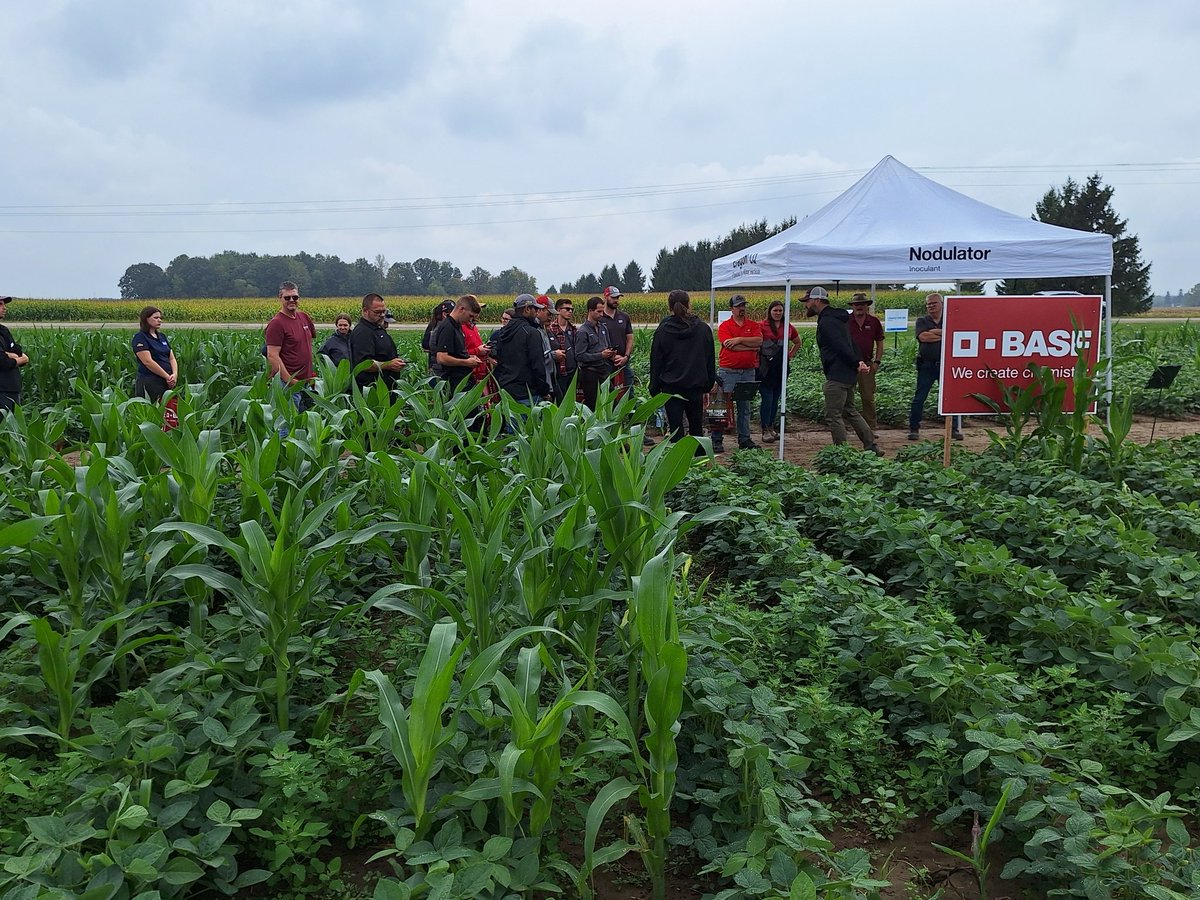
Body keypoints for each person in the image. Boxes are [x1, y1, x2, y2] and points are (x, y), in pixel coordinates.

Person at [803, 286, 881, 455]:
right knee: (850, 410)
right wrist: (858, 361)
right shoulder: (838, 319)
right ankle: (871, 445)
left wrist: (855, 362)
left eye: (807, 301)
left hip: (837, 375)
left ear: (816, 300)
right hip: (848, 374)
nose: (806, 305)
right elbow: (851, 343)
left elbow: (840, 346)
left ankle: (841, 453)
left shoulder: (827, 321)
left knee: (833, 415)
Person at [649, 290, 716, 444]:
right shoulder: (702, 329)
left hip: (671, 388)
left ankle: (679, 463)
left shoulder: (663, 330)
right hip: (695, 387)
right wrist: (708, 385)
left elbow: (656, 360)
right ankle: (699, 462)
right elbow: (710, 359)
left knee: (675, 429)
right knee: (696, 429)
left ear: (669, 306)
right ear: (689, 304)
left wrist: (654, 388)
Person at [908, 293, 964, 441]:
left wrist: (936, 333)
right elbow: (923, 337)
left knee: (950, 398)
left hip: (946, 366)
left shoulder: (950, 319)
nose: (931, 306)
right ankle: (914, 428)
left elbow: (956, 335)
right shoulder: (922, 321)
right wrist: (945, 334)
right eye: (928, 304)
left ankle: (954, 428)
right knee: (919, 398)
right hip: (926, 365)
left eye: (934, 303)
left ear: (941, 304)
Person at [711, 294, 762, 452]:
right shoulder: (725, 326)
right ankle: (717, 439)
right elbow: (728, 345)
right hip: (728, 371)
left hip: (748, 371)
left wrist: (739, 339)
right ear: (731, 308)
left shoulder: (753, 325)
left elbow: (759, 342)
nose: (742, 308)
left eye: (743, 305)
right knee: (720, 404)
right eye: (739, 306)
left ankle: (744, 438)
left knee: (745, 406)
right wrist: (750, 346)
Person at [491, 294, 553, 407]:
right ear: (527, 309)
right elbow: (538, 366)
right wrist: (544, 390)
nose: (537, 313)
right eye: (535, 309)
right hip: (527, 393)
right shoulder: (531, 333)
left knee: (512, 424)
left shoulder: (503, 332)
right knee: (528, 424)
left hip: (507, 392)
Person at [265, 281, 317, 411]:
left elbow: (307, 346)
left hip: (306, 382)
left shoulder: (304, 317)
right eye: (287, 298)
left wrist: (311, 376)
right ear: (280, 298)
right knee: (287, 425)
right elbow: (272, 355)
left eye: (295, 297)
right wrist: (290, 381)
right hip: (288, 384)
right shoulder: (277, 323)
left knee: (305, 423)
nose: (292, 300)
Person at [758, 300, 800, 442]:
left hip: (781, 367)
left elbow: (797, 341)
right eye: (775, 310)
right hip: (766, 368)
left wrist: (789, 355)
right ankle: (764, 428)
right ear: (770, 311)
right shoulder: (761, 326)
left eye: (780, 311)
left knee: (776, 398)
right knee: (767, 398)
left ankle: (771, 427)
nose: (778, 313)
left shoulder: (787, 326)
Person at [350, 293, 406, 391]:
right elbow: (364, 364)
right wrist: (388, 365)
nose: (382, 315)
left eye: (383, 311)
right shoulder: (362, 332)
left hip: (387, 387)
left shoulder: (377, 327)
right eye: (377, 312)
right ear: (365, 311)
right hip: (373, 389)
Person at [847, 293, 886, 431]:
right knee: (846, 396)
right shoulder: (846, 321)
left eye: (862, 304)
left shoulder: (874, 322)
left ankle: (871, 428)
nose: (859, 307)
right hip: (848, 365)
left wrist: (877, 362)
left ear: (866, 306)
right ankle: (846, 427)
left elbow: (880, 342)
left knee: (868, 397)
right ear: (852, 306)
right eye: (856, 304)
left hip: (868, 364)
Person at [431, 294, 483, 392]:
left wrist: (469, 357)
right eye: (470, 316)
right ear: (461, 309)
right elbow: (442, 358)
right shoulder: (448, 327)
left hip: (463, 379)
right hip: (455, 382)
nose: (471, 320)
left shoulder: (457, 325)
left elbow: (456, 353)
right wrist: (466, 362)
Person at [573, 296, 616, 410]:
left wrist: (611, 354)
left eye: (602, 311)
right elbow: (579, 356)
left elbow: (607, 345)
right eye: (599, 311)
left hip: (604, 371)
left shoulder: (603, 328)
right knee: (593, 406)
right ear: (590, 311)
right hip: (590, 374)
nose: (602, 314)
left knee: (611, 403)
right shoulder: (583, 332)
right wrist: (601, 355)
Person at [131, 306, 178, 402]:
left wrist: (174, 375)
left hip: (167, 382)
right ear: (146, 319)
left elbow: (171, 358)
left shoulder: (162, 337)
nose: (159, 320)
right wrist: (167, 377)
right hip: (150, 382)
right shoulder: (140, 338)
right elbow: (148, 361)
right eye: (155, 318)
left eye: (160, 318)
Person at [0, 296, 29, 414]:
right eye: (0, 304)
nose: (4, 308)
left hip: (12, 389)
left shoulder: (3, 330)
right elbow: (2, 362)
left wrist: (7, 354)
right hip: (2, 391)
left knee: (13, 428)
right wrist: (19, 359)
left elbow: (18, 351)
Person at [601, 286, 633, 392]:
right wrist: (611, 356)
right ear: (605, 297)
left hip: (624, 361)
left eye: (617, 298)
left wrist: (626, 357)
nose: (616, 300)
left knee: (628, 391)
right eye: (613, 297)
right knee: (608, 393)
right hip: (606, 362)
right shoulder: (599, 318)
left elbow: (629, 338)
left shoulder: (624, 317)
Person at [547, 297, 578, 403]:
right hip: (558, 373)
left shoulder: (574, 329)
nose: (570, 312)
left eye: (571, 310)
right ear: (558, 310)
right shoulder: (550, 328)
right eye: (567, 309)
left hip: (572, 371)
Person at [423, 301, 455, 371]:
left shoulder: (435, 325)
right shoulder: (442, 329)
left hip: (435, 365)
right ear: (445, 314)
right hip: (439, 368)